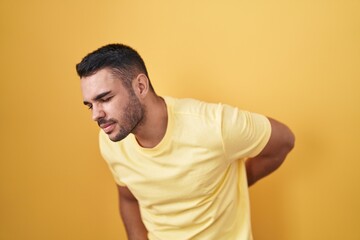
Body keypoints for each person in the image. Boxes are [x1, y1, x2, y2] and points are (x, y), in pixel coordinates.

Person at [76, 43, 295, 240]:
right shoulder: (111, 140)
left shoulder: (214, 125)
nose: (96, 115)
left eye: (105, 99)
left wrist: (235, 181)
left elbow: (284, 140)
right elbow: (128, 198)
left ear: (140, 86)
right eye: (90, 105)